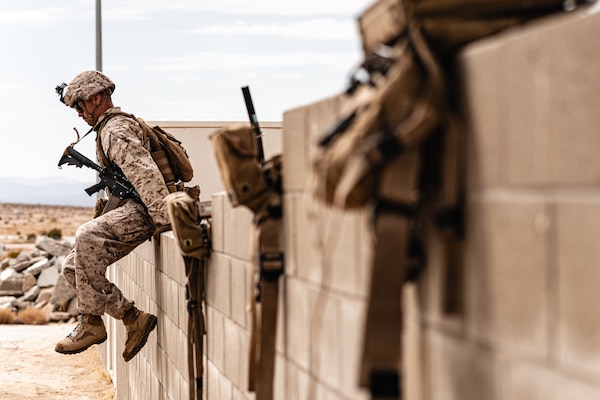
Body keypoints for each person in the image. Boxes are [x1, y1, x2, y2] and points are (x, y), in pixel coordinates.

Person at [55, 70, 171, 362]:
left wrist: (167, 223)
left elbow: (146, 177)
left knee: (86, 235)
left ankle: (91, 323)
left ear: (96, 98)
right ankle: (133, 318)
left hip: (143, 209)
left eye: (81, 106)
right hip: (131, 206)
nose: (80, 114)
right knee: (73, 267)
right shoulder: (107, 128)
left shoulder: (115, 130)